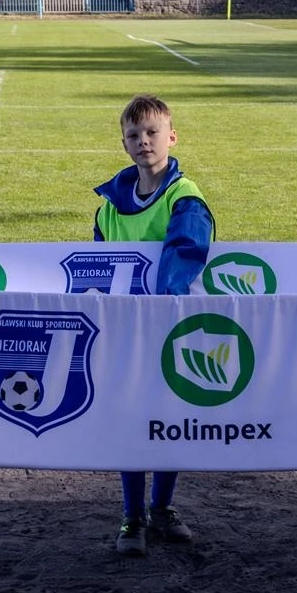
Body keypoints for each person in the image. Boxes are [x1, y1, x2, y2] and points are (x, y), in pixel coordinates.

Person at [93, 95, 215, 557]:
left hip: (169, 324)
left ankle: (162, 507)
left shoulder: (186, 198)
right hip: (125, 328)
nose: (143, 141)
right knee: (130, 416)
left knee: (169, 416)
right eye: (133, 135)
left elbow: (185, 252)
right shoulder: (108, 206)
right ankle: (132, 516)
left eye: (152, 133)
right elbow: (96, 264)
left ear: (172, 137)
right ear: (124, 144)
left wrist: (162, 311)